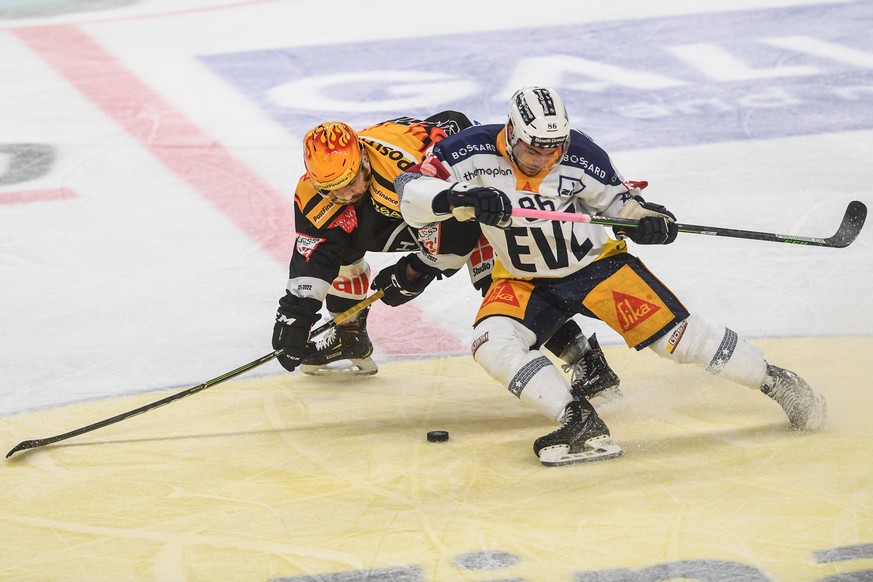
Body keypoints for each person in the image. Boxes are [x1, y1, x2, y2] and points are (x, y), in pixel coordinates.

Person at [395, 86, 827, 467]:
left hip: (595, 269)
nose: (543, 159)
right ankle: (578, 421)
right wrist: (459, 197)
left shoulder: (582, 154)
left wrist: (650, 218)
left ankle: (777, 381)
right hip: (522, 278)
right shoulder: (466, 153)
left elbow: (621, 205)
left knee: (680, 341)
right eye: (534, 149)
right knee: (491, 342)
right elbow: (408, 188)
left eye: (553, 149)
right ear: (511, 132)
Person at [271, 112, 621, 400]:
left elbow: (455, 236)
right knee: (338, 244)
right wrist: (294, 315)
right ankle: (349, 337)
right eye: (331, 188)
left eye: (352, 180)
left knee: (500, 281)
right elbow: (314, 254)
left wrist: (413, 272)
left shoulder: (404, 168)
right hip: (405, 214)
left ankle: (586, 359)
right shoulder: (317, 193)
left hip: (467, 204)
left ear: (364, 157)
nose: (345, 193)